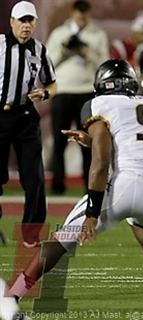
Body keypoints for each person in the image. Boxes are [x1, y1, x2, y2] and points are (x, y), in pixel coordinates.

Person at [5, 60, 143, 310]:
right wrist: (92, 140)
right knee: (140, 219)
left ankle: (13, 295)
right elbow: (134, 141)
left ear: (101, 84)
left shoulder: (99, 104)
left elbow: (100, 162)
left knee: (61, 238)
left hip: (127, 187)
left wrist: (92, 213)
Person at [0, 1, 57, 247]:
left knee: (34, 178)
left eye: (30, 21)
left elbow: (52, 83)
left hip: (25, 117)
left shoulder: (40, 50)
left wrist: (45, 93)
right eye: (21, 21)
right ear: (11, 22)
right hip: (0, 115)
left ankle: (31, 232)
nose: (26, 26)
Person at [46, 0, 109, 194]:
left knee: (88, 143)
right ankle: (57, 184)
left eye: (85, 16)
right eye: (79, 15)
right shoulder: (59, 33)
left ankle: (89, 186)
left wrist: (86, 51)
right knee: (59, 141)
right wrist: (65, 50)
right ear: (73, 14)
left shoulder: (97, 35)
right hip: (63, 91)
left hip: (86, 92)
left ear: (89, 15)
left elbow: (104, 65)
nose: (82, 19)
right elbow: (47, 64)